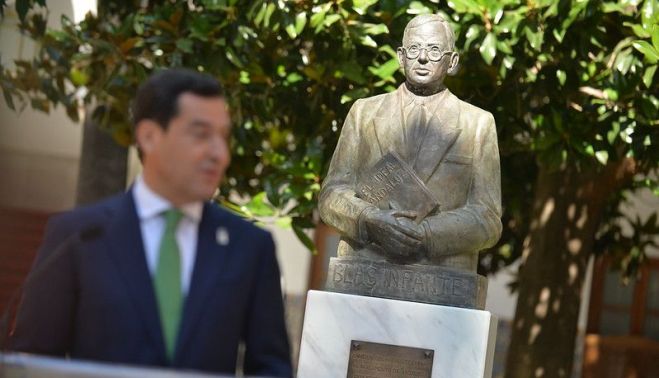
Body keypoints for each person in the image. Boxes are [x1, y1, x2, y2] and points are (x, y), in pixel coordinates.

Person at [10, 68, 292, 377]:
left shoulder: (249, 247)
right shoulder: (77, 236)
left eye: (223, 137)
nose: (219, 153)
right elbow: (31, 362)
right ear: (149, 136)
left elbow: (272, 368)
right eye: (201, 134)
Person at [319, 14, 502, 272]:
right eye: (414, 48)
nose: (423, 57)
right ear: (400, 57)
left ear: (452, 62)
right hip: (365, 266)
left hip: (440, 274)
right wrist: (369, 219)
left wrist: (425, 234)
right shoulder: (364, 113)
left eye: (435, 50)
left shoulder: (478, 124)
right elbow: (330, 196)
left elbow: (488, 218)